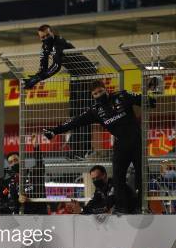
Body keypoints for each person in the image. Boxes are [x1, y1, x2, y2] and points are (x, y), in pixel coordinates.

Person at [43, 80, 155, 213]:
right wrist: (54, 131)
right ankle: (121, 209)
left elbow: (147, 102)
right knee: (118, 178)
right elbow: (75, 122)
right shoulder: (95, 111)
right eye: (95, 93)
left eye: (100, 91)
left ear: (106, 89)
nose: (98, 94)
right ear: (92, 96)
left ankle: (142, 207)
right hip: (120, 146)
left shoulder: (122, 96)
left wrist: (151, 93)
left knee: (141, 176)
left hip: (137, 143)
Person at [24, 25, 97, 158]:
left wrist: (36, 80)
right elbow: (43, 68)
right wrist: (34, 79)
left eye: (47, 35)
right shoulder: (45, 47)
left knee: (83, 113)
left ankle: (85, 149)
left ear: (52, 32)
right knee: (73, 113)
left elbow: (56, 66)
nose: (45, 38)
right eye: (42, 37)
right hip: (75, 76)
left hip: (87, 75)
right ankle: (76, 149)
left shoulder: (59, 43)